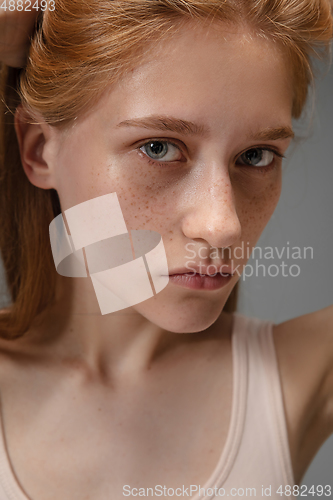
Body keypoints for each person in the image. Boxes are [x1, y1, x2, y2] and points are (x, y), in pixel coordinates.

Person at [0, 1, 332, 499]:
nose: (222, 226)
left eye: (255, 156)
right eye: (158, 147)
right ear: (39, 149)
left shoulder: (304, 371)